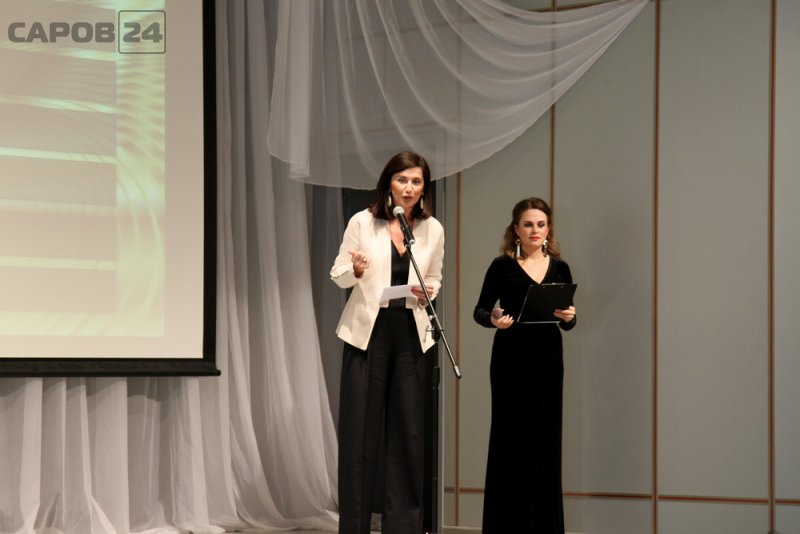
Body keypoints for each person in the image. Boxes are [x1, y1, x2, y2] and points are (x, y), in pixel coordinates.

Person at [330, 151, 445, 534]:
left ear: (424, 188)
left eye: (416, 182)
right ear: (388, 183)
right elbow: (339, 273)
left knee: (408, 434)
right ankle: (355, 526)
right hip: (368, 335)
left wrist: (429, 290)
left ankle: (404, 526)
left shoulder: (432, 229)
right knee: (360, 436)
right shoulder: (363, 222)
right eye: (402, 180)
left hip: (410, 334)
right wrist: (355, 269)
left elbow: (435, 277)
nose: (409, 188)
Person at [473, 196, 577, 534]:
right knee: (511, 441)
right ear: (516, 229)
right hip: (511, 358)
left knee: (546, 440)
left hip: (548, 358)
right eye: (528, 224)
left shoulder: (560, 268)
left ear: (549, 229)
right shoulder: (501, 266)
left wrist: (570, 317)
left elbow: (568, 321)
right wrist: (493, 319)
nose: (535, 230)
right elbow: (480, 311)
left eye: (541, 224)